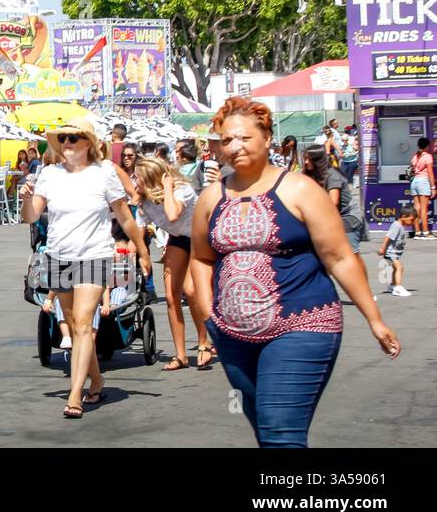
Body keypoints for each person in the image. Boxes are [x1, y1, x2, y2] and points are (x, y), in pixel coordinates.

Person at [191, 97, 400, 448]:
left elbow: (340, 258)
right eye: (226, 140)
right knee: (266, 431)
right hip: (232, 334)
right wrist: (208, 312)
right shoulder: (212, 196)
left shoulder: (300, 189)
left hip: (303, 325)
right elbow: (201, 259)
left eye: (244, 138)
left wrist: (375, 320)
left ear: (267, 138)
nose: (235, 147)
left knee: (280, 433)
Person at [21, 119, 150, 418]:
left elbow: (125, 216)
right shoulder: (49, 174)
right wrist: (26, 200)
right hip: (58, 256)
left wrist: (142, 250)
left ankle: (75, 395)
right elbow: (31, 217)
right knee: (75, 325)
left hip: (94, 256)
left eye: (73, 138)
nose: (66, 142)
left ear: (89, 143)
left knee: (81, 323)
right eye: (63, 137)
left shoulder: (104, 173)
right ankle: (98, 380)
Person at [134, 157, 210, 371]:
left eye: (138, 177)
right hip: (177, 239)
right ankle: (181, 355)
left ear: (150, 179)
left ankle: (204, 342)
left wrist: (167, 187)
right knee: (170, 295)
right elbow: (138, 233)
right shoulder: (145, 202)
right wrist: (139, 254)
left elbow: (173, 214)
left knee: (191, 291)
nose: (135, 181)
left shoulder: (181, 190)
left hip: (198, 237)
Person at [302, 145, 367, 261]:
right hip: (333, 218)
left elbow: (333, 203)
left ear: (318, 161)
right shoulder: (312, 175)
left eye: (309, 159)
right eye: (305, 158)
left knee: (351, 257)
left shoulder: (332, 176)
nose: (306, 162)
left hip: (348, 218)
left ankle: (360, 279)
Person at [379, 206, 415, 297]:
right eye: (411, 220)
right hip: (391, 253)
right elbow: (388, 237)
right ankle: (398, 288)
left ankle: (392, 285)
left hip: (395, 253)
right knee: (399, 267)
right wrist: (382, 248)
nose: (412, 223)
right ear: (403, 216)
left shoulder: (400, 226)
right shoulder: (397, 226)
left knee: (396, 268)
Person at [409, 137, 434, 238]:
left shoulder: (415, 156)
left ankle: (417, 232)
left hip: (414, 182)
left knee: (417, 208)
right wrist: (433, 187)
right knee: (424, 209)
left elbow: (412, 168)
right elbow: (430, 172)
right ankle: (426, 232)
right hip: (423, 181)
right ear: (427, 146)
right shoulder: (428, 157)